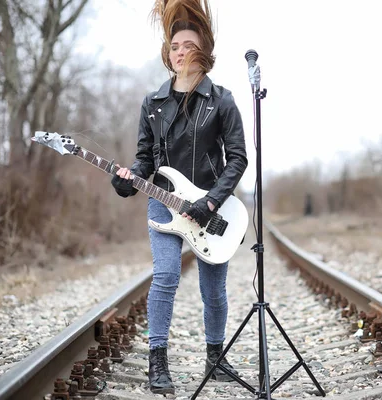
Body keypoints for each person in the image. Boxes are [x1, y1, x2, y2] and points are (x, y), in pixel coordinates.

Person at [110, 0, 248, 394]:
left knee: (213, 291)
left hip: (210, 205)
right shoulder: (152, 103)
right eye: (174, 46)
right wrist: (127, 179)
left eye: (188, 44)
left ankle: (216, 359)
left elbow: (237, 159)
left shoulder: (222, 100)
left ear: (202, 50)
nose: (180, 50)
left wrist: (211, 202)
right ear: (167, 55)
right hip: (164, 202)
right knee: (166, 275)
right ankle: (158, 364)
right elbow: (143, 160)